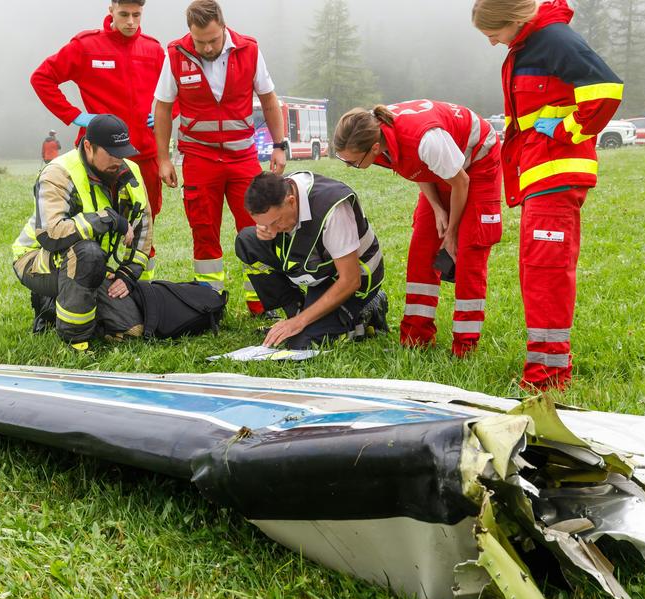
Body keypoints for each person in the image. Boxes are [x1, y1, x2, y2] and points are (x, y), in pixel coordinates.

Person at [471, 0, 622, 390]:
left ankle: (549, 377)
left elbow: (606, 90)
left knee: (546, 273)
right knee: (535, 271)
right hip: (540, 176)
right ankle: (547, 368)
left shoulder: (554, 39)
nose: (491, 43)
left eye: (493, 34)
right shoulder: (527, 45)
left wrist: (567, 128)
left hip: (557, 174)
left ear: (515, 21)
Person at [331, 100, 501, 358]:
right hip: (445, 168)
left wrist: (452, 232)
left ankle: (465, 347)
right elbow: (416, 169)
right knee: (422, 248)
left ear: (374, 147)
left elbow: (460, 181)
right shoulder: (376, 131)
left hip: (475, 163)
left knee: (467, 253)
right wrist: (436, 207)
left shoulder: (425, 140)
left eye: (353, 162)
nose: (351, 167)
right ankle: (415, 338)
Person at [152, 0, 288, 315]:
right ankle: (208, 304)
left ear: (223, 27)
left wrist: (279, 145)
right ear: (190, 33)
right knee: (203, 230)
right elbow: (162, 107)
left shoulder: (250, 50)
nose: (208, 47)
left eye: (213, 39)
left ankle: (262, 303)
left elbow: (268, 100)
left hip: (243, 158)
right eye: (200, 41)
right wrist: (163, 158)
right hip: (199, 159)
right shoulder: (175, 54)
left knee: (258, 227)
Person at [11, 115, 153, 351]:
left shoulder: (131, 172)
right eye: (111, 153)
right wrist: (106, 219)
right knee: (87, 253)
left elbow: (144, 228)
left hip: (92, 264)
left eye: (122, 152)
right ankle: (75, 338)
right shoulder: (58, 172)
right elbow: (51, 234)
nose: (119, 160)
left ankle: (61, 303)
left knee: (130, 330)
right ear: (88, 146)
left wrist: (128, 274)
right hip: (36, 260)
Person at [31, 0, 165, 224]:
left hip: (144, 154)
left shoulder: (153, 50)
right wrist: (74, 115)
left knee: (145, 221)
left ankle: (143, 261)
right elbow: (42, 78)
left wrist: (164, 116)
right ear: (111, 10)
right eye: (124, 14)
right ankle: (92, 259)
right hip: (99, 154)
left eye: (136, 15)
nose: (131, 22)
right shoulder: (86, 46)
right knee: (97, 219)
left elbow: (177, 90)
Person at [237, 171, 388, 349]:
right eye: (265, 223)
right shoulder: (280, 192)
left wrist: (301, 322)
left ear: (291, 201)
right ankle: (295, 311)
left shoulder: (333, 209)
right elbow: (272, 226)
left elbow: (350, 280)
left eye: (276, 222)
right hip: (320, 272)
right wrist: (265, 230)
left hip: (352, 280)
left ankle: (368, 309)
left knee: (303, 343)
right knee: (247, 240)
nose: (272, 230)